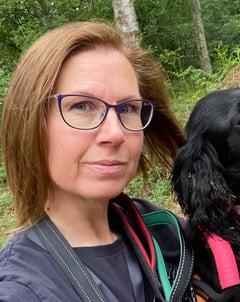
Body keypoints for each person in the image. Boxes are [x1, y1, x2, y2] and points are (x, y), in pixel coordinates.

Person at [0, 21, 193, 301]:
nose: (115, 133)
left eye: (127, 108)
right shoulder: (22, 289)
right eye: (81, 106)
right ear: (30, 122)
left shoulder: (164, 232)